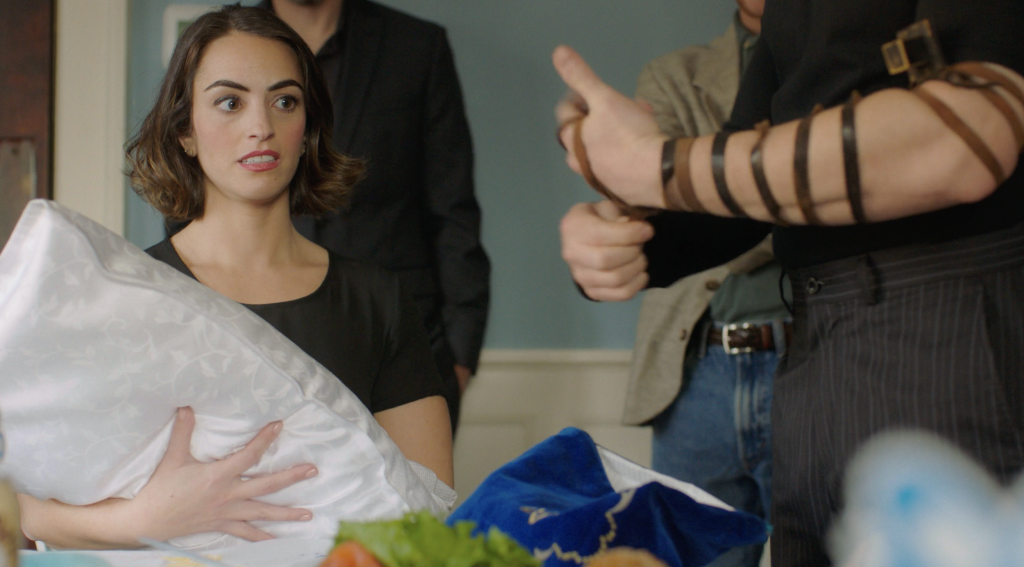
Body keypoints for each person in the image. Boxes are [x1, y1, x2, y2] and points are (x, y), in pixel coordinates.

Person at [555, 0, 1024, 564]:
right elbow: (741, 201)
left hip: (951, 336)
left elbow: (964, 139)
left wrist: (659, 167)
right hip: (813, 352)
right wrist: (628, 242)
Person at [17, 6, 453, 549]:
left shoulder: (379, 301)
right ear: (185, 132)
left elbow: (426, 521)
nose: (260, 127)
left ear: (308, 128)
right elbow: (30, 509)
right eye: (230, 102)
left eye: (285, 101)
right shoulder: (126, 294)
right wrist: (142, 521)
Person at [256, 0, 491, 433]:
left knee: (411, 503)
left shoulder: (417, 46)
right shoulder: (223, 43)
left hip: (401, 349)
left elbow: (453, 206)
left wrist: (459, 354)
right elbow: (194, 199)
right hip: (260, 348)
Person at [620, 3, 781, 566]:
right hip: (695, 371)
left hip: (816, 358)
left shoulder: (834, 70)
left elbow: (694, 207)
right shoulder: (674, 74)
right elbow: (658, 208)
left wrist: (703, 195)